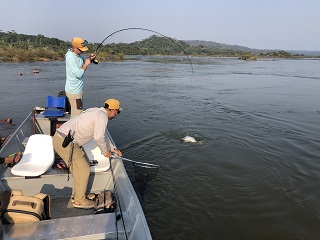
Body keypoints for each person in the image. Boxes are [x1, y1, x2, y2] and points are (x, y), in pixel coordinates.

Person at [52, 98, 123, 209]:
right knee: (83, 170)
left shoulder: (97, 111)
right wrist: (105, 152)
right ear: (113, 110)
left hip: (67, 141)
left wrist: (113, 149)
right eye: (118, 112)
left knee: (82, 166)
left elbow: (102, 134)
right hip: (66, 142)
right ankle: (79, 201)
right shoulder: (102, 116)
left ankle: (77, 196)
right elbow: (98, 137)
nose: (117, 114)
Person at [65, 37, 96, 118]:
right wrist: (86, 64)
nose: (82, 51)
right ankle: (72, 130)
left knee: (77, 111)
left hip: (78, 90)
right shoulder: (70, 58)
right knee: (77, 115)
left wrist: (90, 58)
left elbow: (86, 60)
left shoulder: (79, 54)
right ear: (74, 48)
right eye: (81, 49)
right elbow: (79, 74)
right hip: (74, 92)